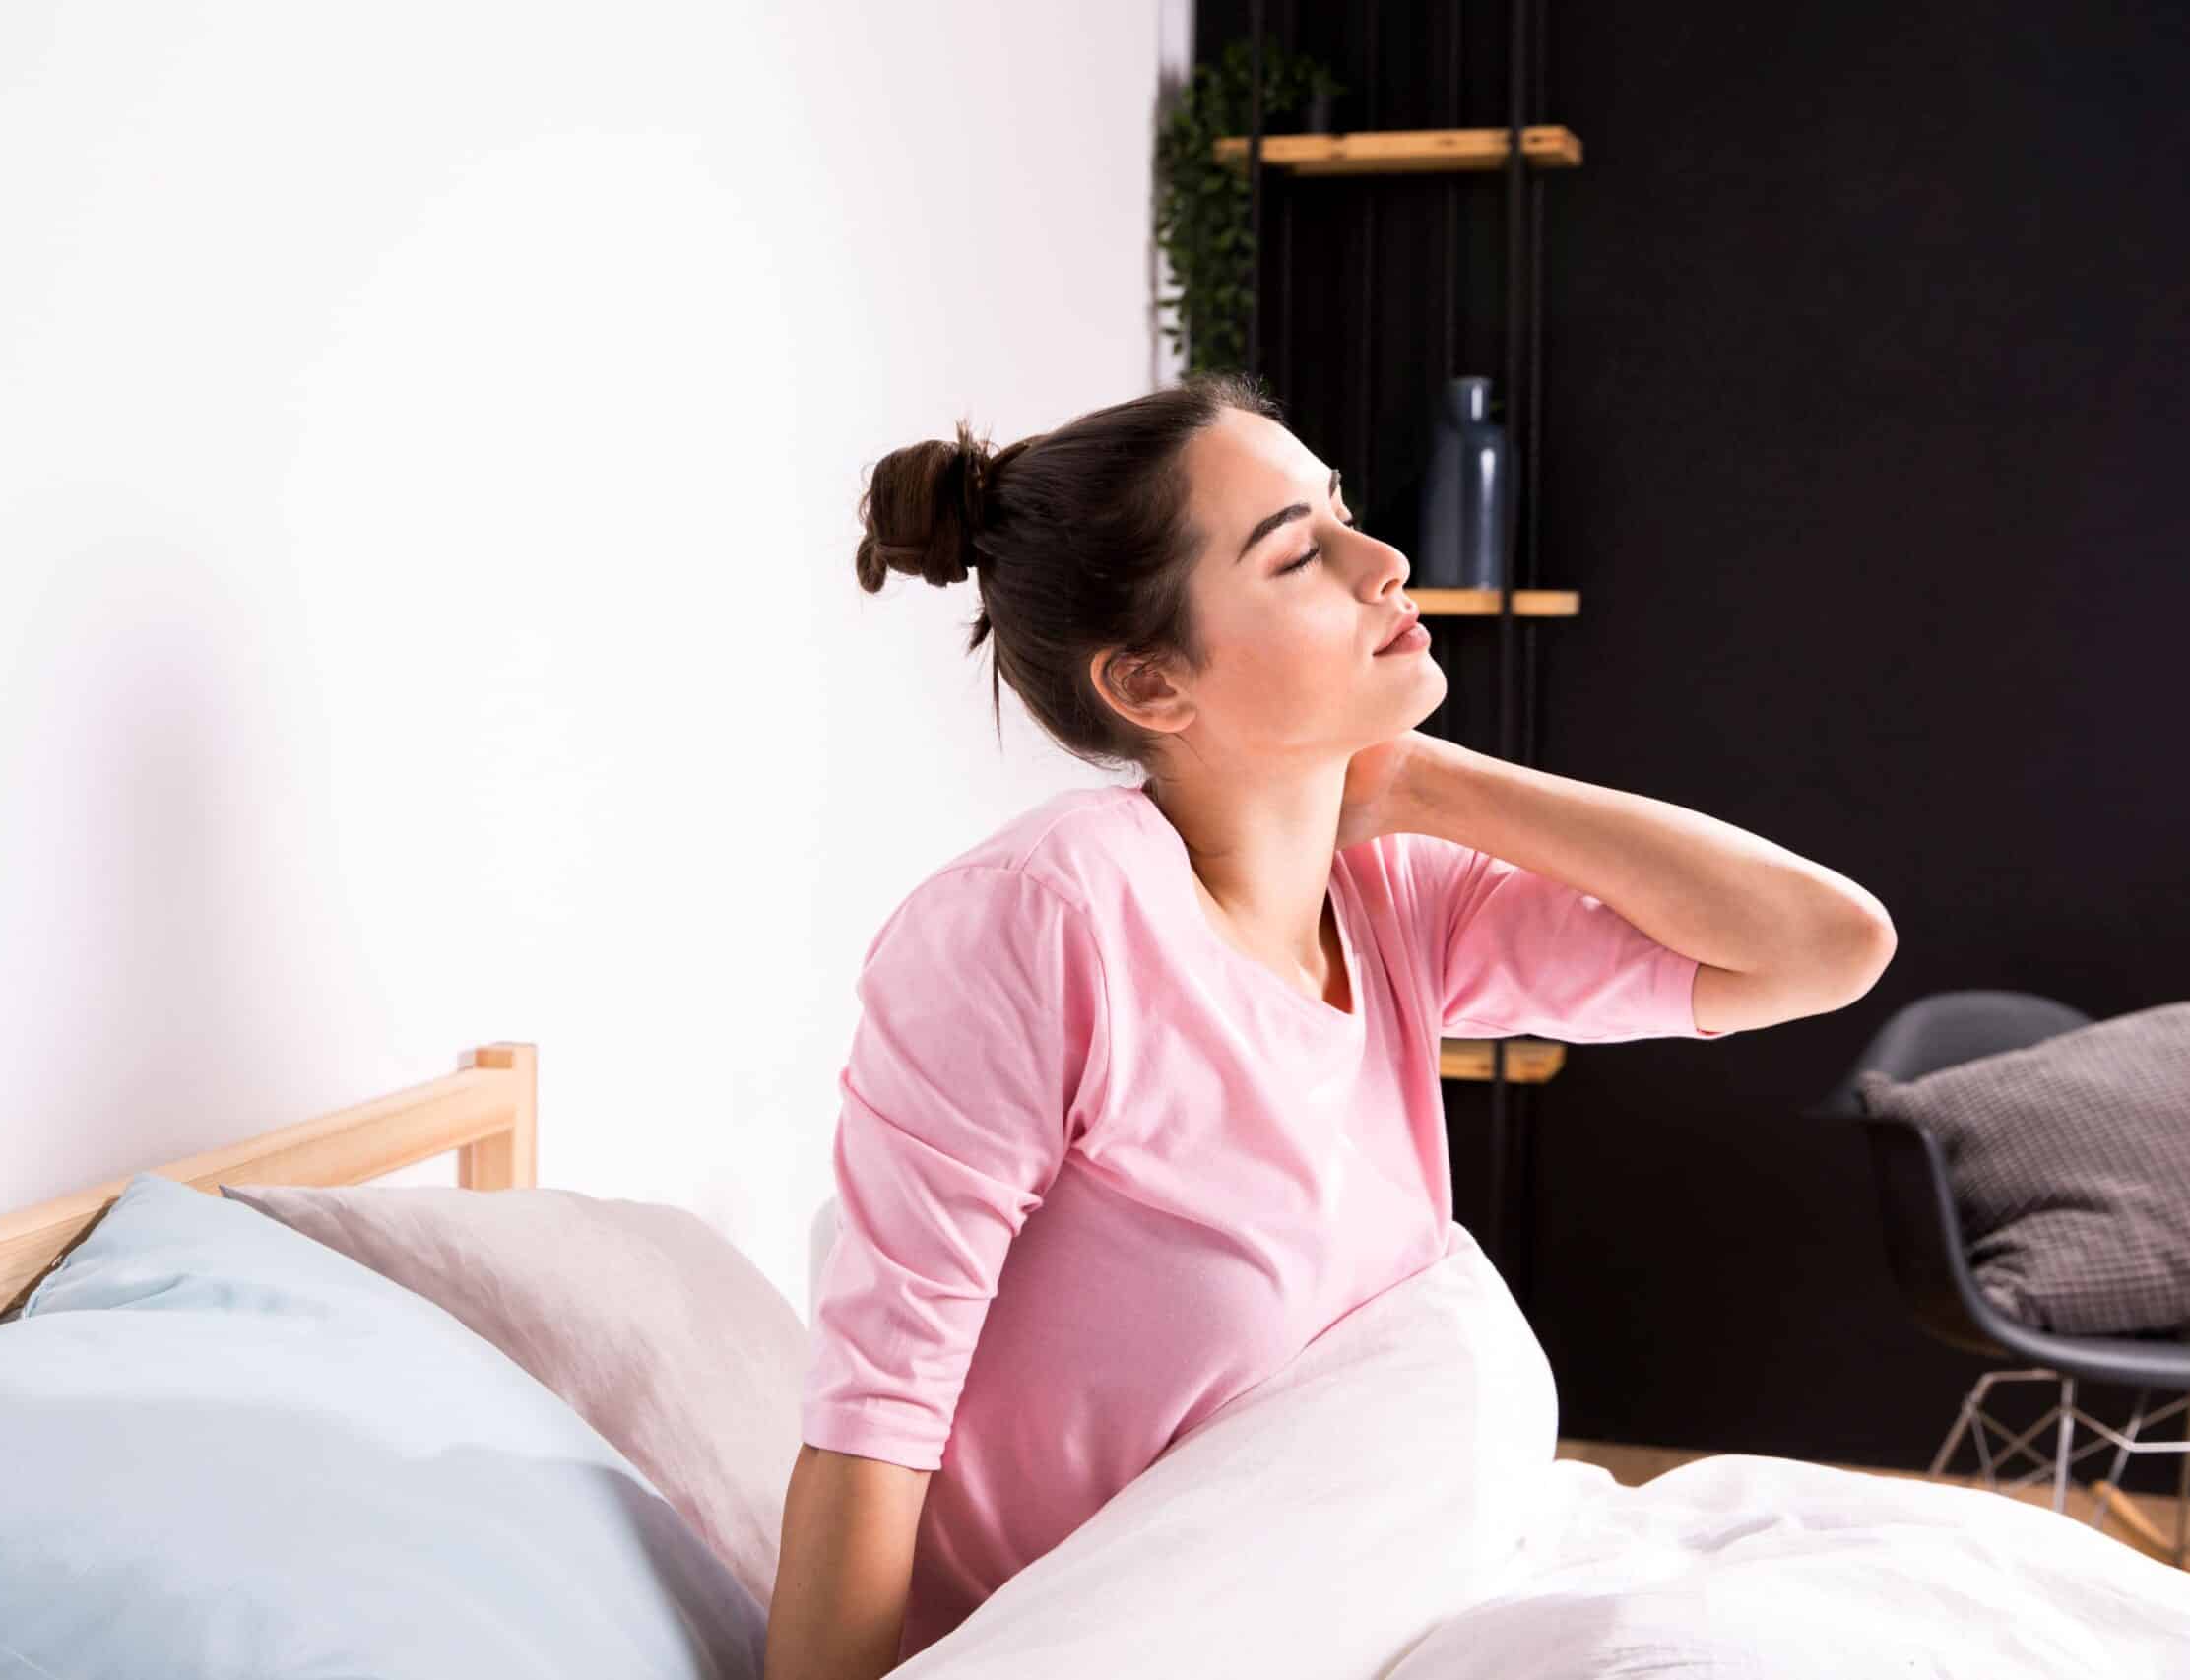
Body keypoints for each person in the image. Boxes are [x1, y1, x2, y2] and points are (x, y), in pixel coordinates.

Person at [760, 372, 1896, 1680]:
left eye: (1344, 510)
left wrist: (1432, 780)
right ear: (1150, 682)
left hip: (1356, 1612)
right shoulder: (1042, 921)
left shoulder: (1390, 896)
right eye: (1300, 551)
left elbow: (1827, 947)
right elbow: (875, 1417)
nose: (1385, 559)